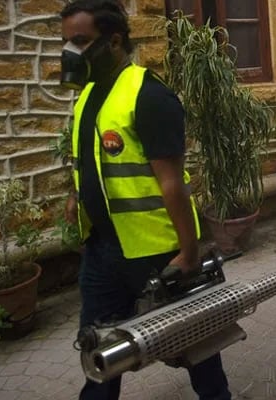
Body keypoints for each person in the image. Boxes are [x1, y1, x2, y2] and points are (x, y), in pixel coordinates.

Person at [60, 1, 231, 399]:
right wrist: (76, 194)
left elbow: (173, 183)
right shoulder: (87, 95)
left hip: (155, 252)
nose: (69, 51)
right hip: (102, 250)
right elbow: (89, 158)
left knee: (195, 343)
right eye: (67, 41)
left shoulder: (150, 95)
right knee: (100, 352)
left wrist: (189, 254)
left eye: (81, 41)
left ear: (114, 40)